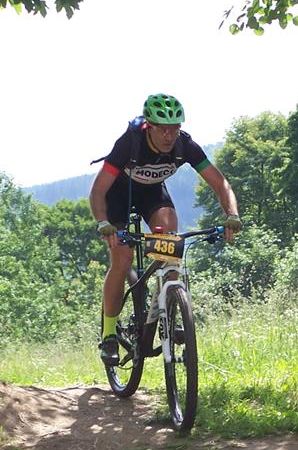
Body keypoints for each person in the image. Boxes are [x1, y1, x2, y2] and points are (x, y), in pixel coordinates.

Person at [90, 93, 241, 365]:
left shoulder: (185, 145)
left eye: (175, 128)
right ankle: (109, 333)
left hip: (152, 195)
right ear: (149, 126)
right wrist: (104, 223)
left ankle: (169, 306)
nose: (169, 135)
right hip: (117, 197)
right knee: (122, 259)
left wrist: (232, 215)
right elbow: (98, 190)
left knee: (170, 244)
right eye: (163, 129)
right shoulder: (130, 143)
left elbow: (221, 184)